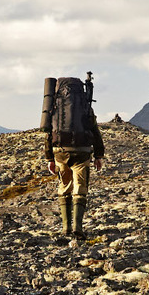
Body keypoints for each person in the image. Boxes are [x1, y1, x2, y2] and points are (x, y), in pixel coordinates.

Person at [45, 100, 104, 239]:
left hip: (60, 153)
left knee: (64, 187)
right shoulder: (85, 106)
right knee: (80, 188)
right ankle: (77, 227)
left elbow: (48, 134)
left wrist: (49, 158)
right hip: (82, 153)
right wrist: (98, 155)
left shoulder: (54, 107)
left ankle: (66, 228)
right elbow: (95, 131)